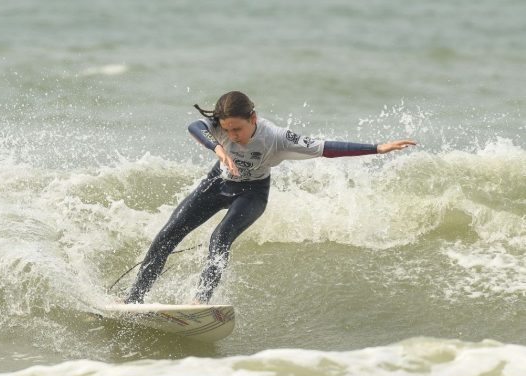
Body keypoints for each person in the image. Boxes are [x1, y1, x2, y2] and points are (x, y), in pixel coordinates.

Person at [125, 91, 416, 304]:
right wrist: (218, 149)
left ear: (253, 118)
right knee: (168, 235)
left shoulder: (277, 137)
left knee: (220, 237)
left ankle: (200, 302)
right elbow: (194, 127)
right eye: (227, 130)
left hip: (251, 194)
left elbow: (326, 147)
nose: (233, 135)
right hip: (216, 184)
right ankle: (134, 299)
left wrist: (378, 148)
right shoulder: (220, 129)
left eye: (237, 129)